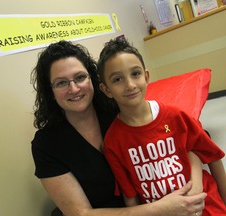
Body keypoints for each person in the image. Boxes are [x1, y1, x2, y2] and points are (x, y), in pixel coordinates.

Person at [30, 40, 207, 216]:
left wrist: (194, 187)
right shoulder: (46, 145)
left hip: (158, 200)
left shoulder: (119, 111)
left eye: (80, 77)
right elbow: (81, 214)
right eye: (61, 83)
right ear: (50, 91)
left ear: (93, 80)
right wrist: (161, 209)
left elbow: (186, 139)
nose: (74, 88)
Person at [97, 37, 226, 216]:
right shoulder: (113, 142)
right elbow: (130, 196)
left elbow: (212, 157)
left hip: (205, 206)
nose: (130, 85)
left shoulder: (175, 116)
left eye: (135, 74)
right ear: (107, 90)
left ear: (146, 76)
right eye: (118, 79)